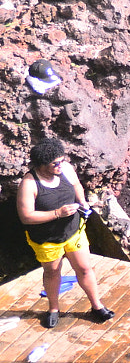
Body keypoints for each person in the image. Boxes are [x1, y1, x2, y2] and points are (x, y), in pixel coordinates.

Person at [17, 139, 114, 328]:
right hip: (47, 239)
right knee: (52, 272)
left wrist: (83, 202)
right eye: (55, 163)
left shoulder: (66, 169)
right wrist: (57, 213)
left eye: (61, 160)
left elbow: (77, 185)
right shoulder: (29, 184)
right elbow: (26, 217)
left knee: (85, 268)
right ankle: (54, 309)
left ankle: (97, 306)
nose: (60, 165)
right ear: (42, 165)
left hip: (73, 231)